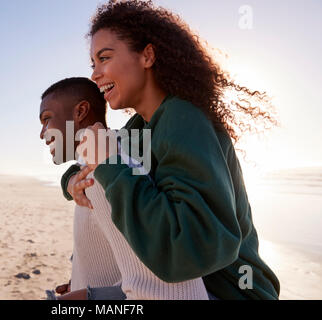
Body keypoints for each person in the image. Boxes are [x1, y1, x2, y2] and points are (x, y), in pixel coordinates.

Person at [61, 0, 280, 300]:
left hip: (229, 292)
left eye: (105, 58)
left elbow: (188, 246)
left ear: (147, 56)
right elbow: (87, 170)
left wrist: (108, 162)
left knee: (104, 166)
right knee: (73, 301)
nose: (95, 74)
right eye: (93, 64)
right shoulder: (141, 127)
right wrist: (72, 182)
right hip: (182, 281)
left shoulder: (184, 118)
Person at [40, 77, 209, 300]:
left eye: (47, 119)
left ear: (80, 111)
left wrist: (88, 299)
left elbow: (168, 292)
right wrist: (80, 281)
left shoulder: (108, 167)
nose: (42, 133)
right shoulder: (93, 166)